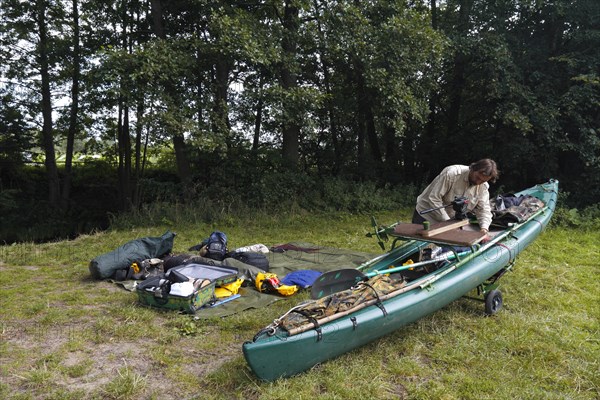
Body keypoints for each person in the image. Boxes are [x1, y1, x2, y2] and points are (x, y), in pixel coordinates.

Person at [412, 159, 499, 239]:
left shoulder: (483, 187)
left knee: (445, 248)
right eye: (477, 178)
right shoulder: (451, 174)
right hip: (426, 215)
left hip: (450, 220)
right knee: (417, 247)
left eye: (483, 181)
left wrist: (484, 229)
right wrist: (448, 222)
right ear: (473, 169)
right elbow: (434, 198)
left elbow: (484, 209)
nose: (478, 182)